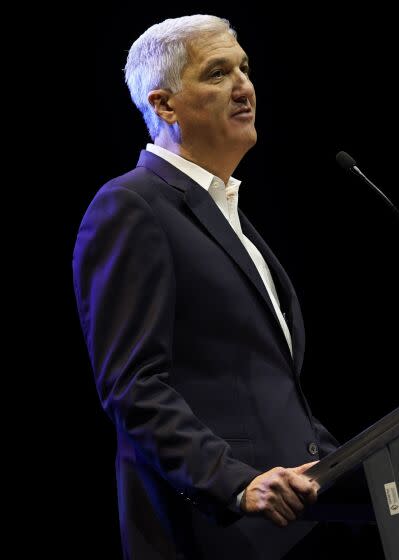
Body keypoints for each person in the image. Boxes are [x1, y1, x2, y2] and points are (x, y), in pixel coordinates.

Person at [72, 15, 339, 559]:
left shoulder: (228, 216)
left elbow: (263, 386)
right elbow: (133, 386)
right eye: (218, 73)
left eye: (245, 69)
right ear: (165, 106)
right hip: (216, 531)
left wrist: (355, 461)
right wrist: (234, 481)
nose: (244, 87)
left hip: (299, 528)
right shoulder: (132, 206)